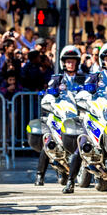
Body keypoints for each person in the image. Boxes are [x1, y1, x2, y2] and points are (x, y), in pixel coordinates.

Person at [62, 42, 107, 194]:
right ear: (102, 60)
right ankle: (71, 181)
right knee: (82, 144)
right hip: (97, 117)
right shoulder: (95, 76)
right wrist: (85, 95)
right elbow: (84, 91)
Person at [34, 45, 84, 186]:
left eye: (73, 61)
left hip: (77, 117)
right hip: (58, 117)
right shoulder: (57, 79)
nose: (71, 64)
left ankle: (72, 174)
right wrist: (51, 96)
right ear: (63, 63)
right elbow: (48, 96)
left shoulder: (83, 79)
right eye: (68, 61)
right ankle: (39, 175)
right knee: (49, 142)